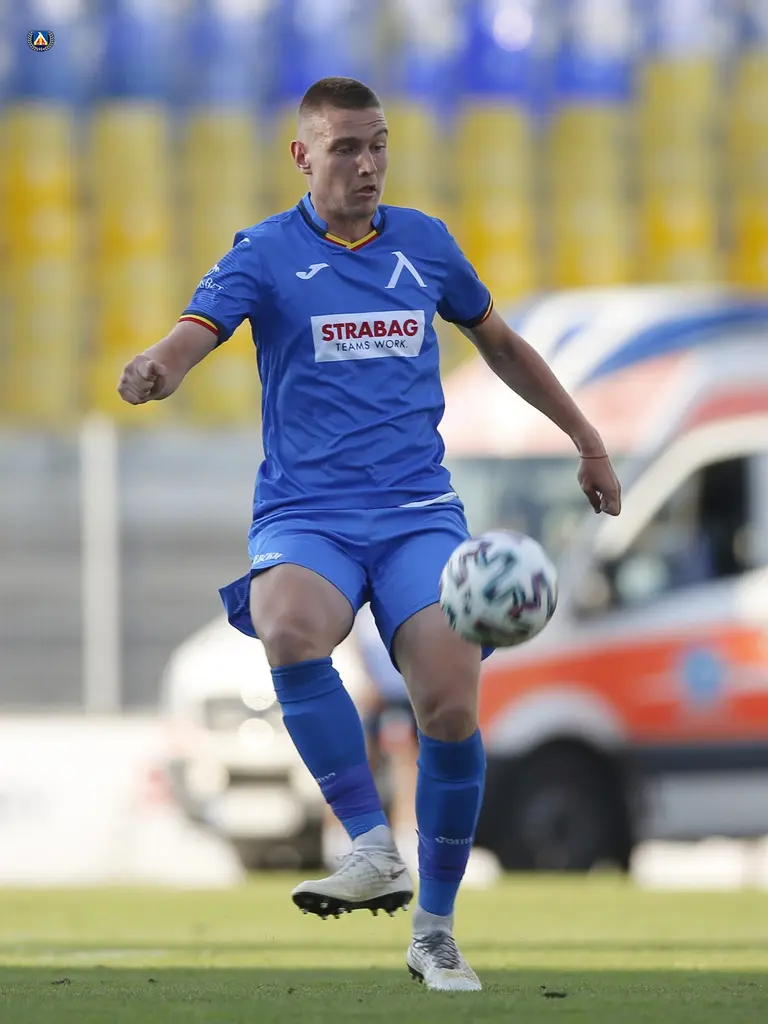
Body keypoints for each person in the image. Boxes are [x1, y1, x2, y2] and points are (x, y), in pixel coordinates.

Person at [118, 76, 621, 993]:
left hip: (416, 513)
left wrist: (586, 440)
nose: (367, 163)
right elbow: (193, 335)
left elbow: (503, 345)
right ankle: (370, 844)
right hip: (308, 513)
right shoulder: (264, 253)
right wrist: (158, 366)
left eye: (378, 144)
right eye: (346, 147)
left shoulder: (425, 244)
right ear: (303, 156)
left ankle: (436, 932)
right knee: (286, 624)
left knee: (450, 707)